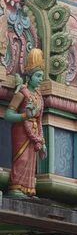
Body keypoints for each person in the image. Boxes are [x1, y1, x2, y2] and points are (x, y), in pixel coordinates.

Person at [4, 49, 47, 197]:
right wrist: (24, 116)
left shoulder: (38, 96)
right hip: (20, 130)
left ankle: (28, 189)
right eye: (38, 76)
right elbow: (8, 115)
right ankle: (16, 187)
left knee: (31, 160)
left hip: (33, 132)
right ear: (29, 76)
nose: (40, 79)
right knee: (21, 158)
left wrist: (42, 141)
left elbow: (39, 120)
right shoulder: (22, 93)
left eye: (41, 76)